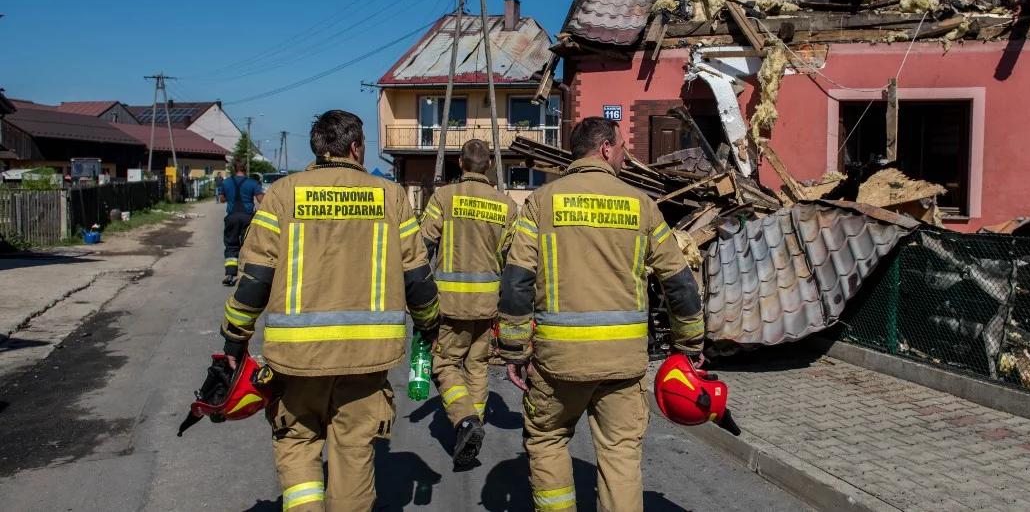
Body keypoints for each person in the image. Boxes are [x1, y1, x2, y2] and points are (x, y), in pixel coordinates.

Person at [214, 109, 440, 511]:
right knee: (354, 452)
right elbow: (418, 279)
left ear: (318, 148)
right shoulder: (390, 197)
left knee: (298, 445)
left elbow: (255, 281)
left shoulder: (284, 194)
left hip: (296, 361)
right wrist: (429, 325)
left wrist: (234, 343)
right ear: (355, 148)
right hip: (367, 361)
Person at [498, 117, 705, 512]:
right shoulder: (642, 206)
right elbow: (679, 282)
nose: (626, 156)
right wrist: (689, 344)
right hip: (623, 364)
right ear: (606, 148)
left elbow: (516, 281)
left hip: (558, 362)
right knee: (620, 456)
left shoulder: (541, 203)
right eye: (623, 147)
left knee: (547, 441)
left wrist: (514, 348)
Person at [419, 139, 517, 468]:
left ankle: (465, 421)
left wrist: (415, 296)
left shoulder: (443, 198)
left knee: (444, 364)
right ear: (488, 165)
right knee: (477, 367)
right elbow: (511, 257)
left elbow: (424, 246)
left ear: (460, 164)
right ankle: (475, 427)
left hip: (450, 304)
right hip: (488, 304)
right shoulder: (505, 205)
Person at [218, 163, 264, 286]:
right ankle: (248, 275)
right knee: (248, 245)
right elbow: (262, 201)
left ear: (234, 170)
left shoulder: (226, 182)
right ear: (245, 170)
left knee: (231, 245)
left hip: (232, 217)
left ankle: (230, 274)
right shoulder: (253, 183)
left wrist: (230, 196)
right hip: (248, 218)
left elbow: (222, 199)